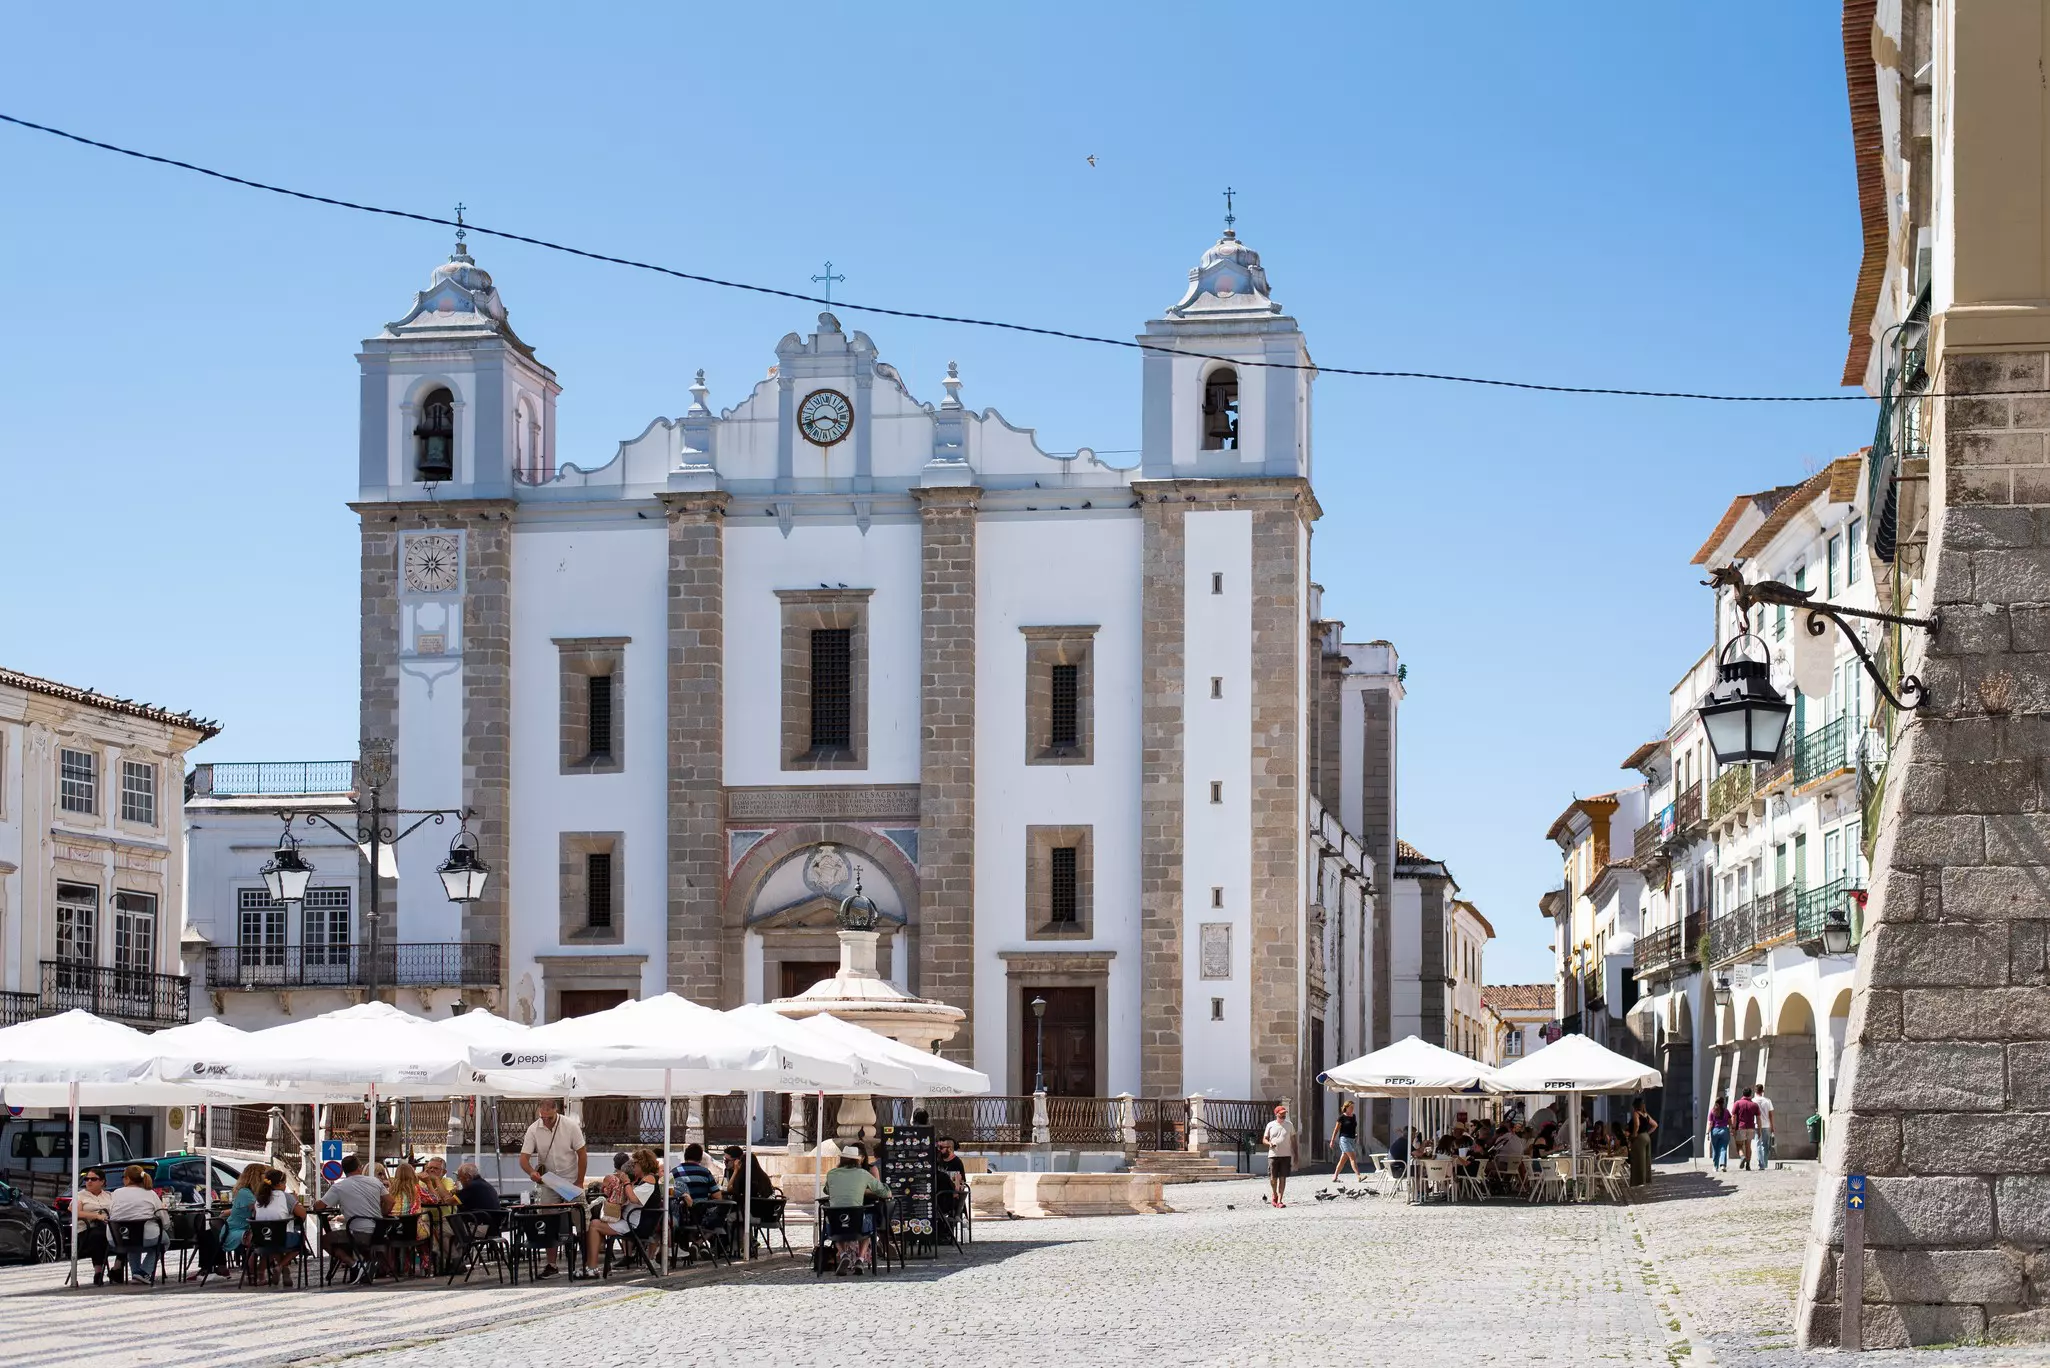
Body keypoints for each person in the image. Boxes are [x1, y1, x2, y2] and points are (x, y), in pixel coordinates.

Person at [518, 1099, 587, 1279]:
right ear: (539, 1112)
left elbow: (582, 1154)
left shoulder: (570, 1126)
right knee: (548, 1222)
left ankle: (587, 1261)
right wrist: (532, 1172)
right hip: (549, 1181)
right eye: (543, 1117)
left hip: (571, 1179)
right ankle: (552, 1264)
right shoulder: (534, 1128)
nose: (546, 1120)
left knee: (581, 1221)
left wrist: (579, 1182)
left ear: (556, 1111)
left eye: (549, 1117)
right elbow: (524, 1158)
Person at [315, 1154, 388, 1285]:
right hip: (379, 1231)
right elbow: (390, 1201)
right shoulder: (375, 1182)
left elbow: (320, 1206)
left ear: (344, 1170)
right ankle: (366, 1264)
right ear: (359, 1168)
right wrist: (382, 1215)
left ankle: (354, 1265)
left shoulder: (339, 1187)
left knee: (325, 1240)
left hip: (357, 1233)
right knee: (346, 1237)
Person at [822, 1146, 889, 1275]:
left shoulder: (831, 1174)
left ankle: (843, 1255)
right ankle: (860, 1259)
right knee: (870, 1222)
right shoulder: (863, 1174)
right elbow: (885, 1192)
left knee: (832, 1220)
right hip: (857, 1225)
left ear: (841, 1160)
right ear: (857, 1161)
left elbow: (827, 1190)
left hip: (836, 1225)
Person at [584, 1153, 657, 1271]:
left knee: (594, 1225)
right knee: (595, 1223)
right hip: (629, 1221)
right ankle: (592, 1266)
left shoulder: (649, 1181)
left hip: (635, 1225)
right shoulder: (641, 1181)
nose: (634, 1168)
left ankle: (591, 1267)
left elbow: (634, 1199)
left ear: (642, 1164)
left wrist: (627, 1182)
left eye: (635, 1165)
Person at [107, 1164, 169, 1284]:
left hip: (117, 1237)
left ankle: (136, 1273)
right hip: (147, 1235)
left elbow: (111, 1212)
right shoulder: (150, 1194)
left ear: (128, 1179)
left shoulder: (116, 1193)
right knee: (164, 1241)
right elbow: (163, 1219)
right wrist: (165, 1225)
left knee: (131, 1240)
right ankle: (144, 1272)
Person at [247, 1168, 307, 1287]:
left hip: (262, 1240)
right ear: (279, 1184)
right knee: (301, 1240)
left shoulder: (259, 1199)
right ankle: (280, 1266)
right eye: (284, 1183)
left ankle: (283, 1271)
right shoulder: (285, 1197)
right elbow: (303, 1215)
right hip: (282, 1239)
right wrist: (296, 1201)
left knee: (275, 1241)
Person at [72, 1168, 115, 1285]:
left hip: (108, 1226)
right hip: (87, 1230)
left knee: (124, 1233)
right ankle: (98, 1272)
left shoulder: (109, 1195)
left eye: (93, 1179)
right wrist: (95, 1216)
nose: (89, 1181)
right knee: (98, 1235)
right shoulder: (80, 1195)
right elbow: (74, 1211)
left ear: (102, 1182)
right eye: (87, 1179)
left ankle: (118, 1268)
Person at [1262, 1104, 1297, 1209]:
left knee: (1283, 1178)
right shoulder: (1270, 1125)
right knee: (1273, 1178)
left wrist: (1296, 1155)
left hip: (1286, 1155)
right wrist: (1269, 1144)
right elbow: (1264, 1139)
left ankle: (1280, 1200)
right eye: (1281, 1114)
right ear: (1276, 1114)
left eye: (1284, 1114)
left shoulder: (1289, 1125)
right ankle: (1274, 1194)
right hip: (1273, 1155)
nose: (1283, 1115)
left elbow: (1294, 1141)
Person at [1626, 1099, 1659, 1185]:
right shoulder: (1646, 1115)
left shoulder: (1636, 1113)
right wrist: (1648, 1133)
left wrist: (1634, 1134)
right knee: (1647, 1159)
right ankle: (1647, 1179)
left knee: (1638, 1159)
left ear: (1635, 1106)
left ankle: (1638, 1181)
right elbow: (1655, 1125)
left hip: (1639, 1138)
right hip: (1646, 1137)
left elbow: (1637, 1125)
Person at [1329, 1102, 1362, 1184]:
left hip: (1352, 1140)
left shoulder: (1353, 1116)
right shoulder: (1342, 1117)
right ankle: (1358, 1176)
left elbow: (1354, 1127)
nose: (1352, 1109)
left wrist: (1355, 1135)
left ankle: (1335, 1176)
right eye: (1351, 1107)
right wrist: (1332, 1140)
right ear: (1346, 1108)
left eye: (1353, 1107)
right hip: (1344, 1139)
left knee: (1343, 1160)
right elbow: (1336, 1130)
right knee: (1352, 1157)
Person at [1732, 1088, 1761, 1173]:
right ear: (1750, 1094)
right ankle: (1748, 1164)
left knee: (1739, 1145)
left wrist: (1733, 1128)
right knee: (1748, 1145)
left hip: (1741, 1127)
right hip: (1751, 1127)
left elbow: (1734, 1116)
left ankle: (1742, 1156)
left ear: (1743, 1094)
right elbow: (1758, 1118)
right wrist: (1759, 1130)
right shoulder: (1754, 1105)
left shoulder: (1737, 1103)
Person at [1706, 1095, 1734, 1172]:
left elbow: (1711, 1124)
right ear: (1723, 1103)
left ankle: (1715, 1166)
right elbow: (1730, 1121)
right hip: (1724, 1130)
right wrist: (1731, 1129)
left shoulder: (1712, 1111)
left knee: (1715, 1149)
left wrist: (1707, 1133)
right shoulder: (1726, 1111)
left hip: (1714, 1131)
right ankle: (1722, 1165)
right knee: (1723, 1148)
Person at [1753, 1085, 1776, 1169]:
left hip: (1756, 1125)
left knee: (1758, 1144)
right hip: (1766, 1125)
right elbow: (1771, 1115)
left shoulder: (1753, 1101)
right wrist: (1772, 1126)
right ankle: (1765, 1163)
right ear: (1762, 1091)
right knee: (1765, 1145)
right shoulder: (1767, 1101)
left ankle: (1761, 1164)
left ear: (1755, 1091)